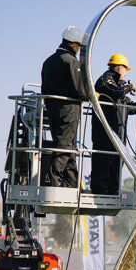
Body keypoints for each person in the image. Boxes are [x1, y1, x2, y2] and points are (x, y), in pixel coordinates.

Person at [90, 54, 136, 195]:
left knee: (117, 162)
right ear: (119, 68)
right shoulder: (106, 80)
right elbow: (111, 91)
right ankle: (100, 190)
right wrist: (128, 87)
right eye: (125, 70)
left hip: (118, 134)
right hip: (104, 133)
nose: (126, 73)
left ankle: (112, 190)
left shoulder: (119, 89)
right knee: (103, 160)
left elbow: (131, 108)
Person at [41, 26, 88, 188]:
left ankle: (74, 184)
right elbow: (80, 90)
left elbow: (44, 90)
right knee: (64, 147)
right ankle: (53, 181)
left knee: (67, 147)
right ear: (75, 45)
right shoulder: (71, 61)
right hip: (69, 111)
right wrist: (93, 96)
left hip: (53, 110)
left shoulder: (48, 61)